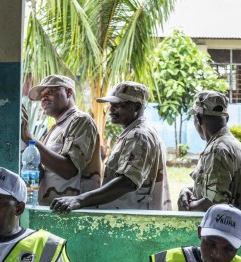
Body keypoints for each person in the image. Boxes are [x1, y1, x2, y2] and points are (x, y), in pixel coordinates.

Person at [51, 81, 170, 212]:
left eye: (118, 105)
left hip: (134, 221)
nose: (111, 109)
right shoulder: (134, 133)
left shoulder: (139, 135)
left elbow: (127, 182)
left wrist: (80, 200)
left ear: (137, 107)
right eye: (111, 104)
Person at [21, 74, 102, 205]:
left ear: (68, 92)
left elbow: (68, 170)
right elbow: (41, 173)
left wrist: (29, 138)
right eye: (42, 96)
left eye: (50, 92)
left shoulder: (80, 121)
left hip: (73, 214)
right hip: (53, 210)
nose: (44, 98)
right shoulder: (53, 130)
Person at [177, 91, 241, 211]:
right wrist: (188, 190)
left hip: (216, 227)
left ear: (198, 119)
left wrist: (188, 208)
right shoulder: (234, 145)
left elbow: (214, 202)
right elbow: (217, 189)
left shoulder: (217, 150)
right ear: (227, 118)